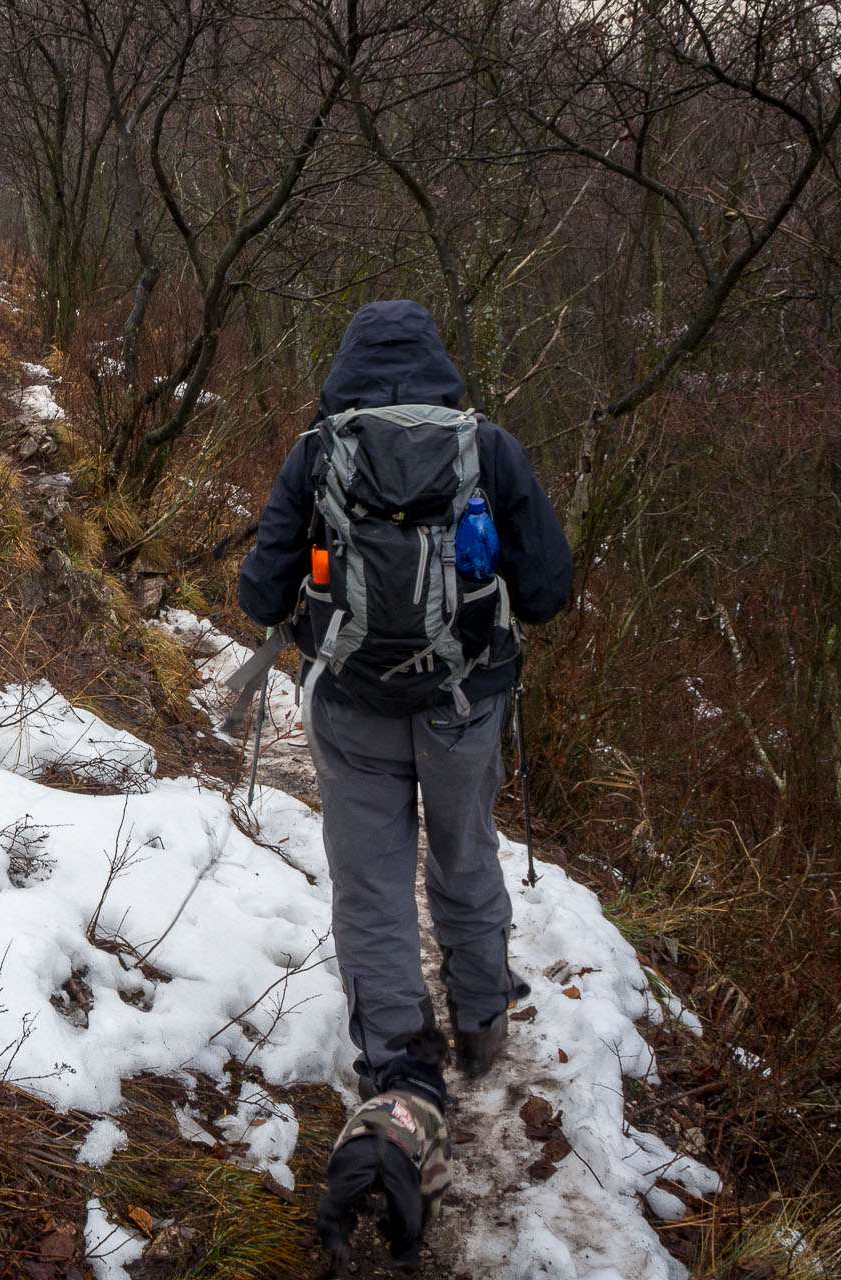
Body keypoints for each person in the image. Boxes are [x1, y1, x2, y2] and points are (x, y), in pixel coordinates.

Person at [237, 299, 572, 1096]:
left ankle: (398, 1063)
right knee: (464, 857)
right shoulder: (488, 449)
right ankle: (483, 1026)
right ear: (438, 363)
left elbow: (259, 596)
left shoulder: (318, 455)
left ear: (347, 364)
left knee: (371, 882)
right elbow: (548, 591)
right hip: (466, 702)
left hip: (352, 705)